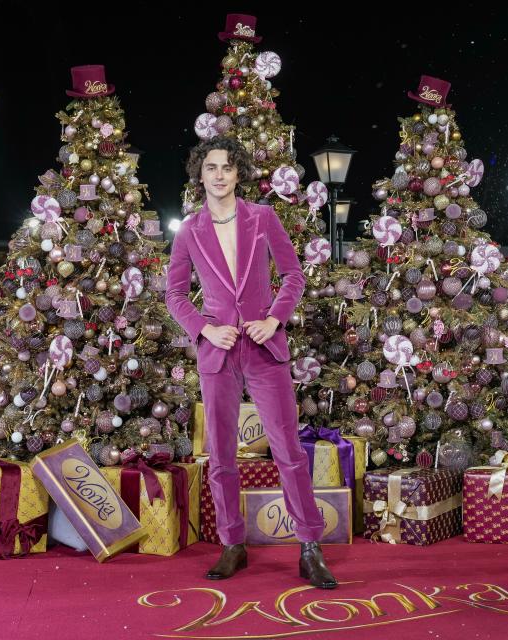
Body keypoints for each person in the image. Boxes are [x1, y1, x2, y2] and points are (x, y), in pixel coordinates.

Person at [166, 137, 335, 589]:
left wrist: (275, 318)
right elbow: (175, 294)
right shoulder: (188, 230)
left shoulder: (263, 217)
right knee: (220, 454)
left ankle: (309, 547)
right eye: (210, 168)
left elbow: (294, 275)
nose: (218, 175)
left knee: (288, 451)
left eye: (226, 167)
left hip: (264, 350)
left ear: (238, 173)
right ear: (199, 175)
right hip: (217, 353)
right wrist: (203, 329)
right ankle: (232, 543)